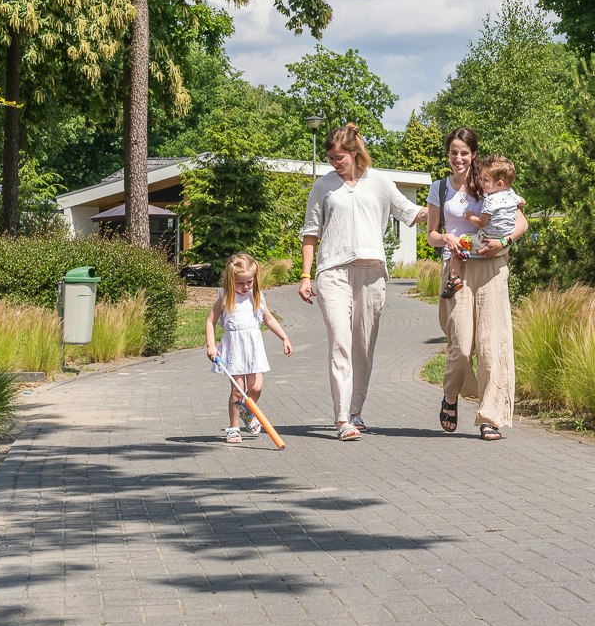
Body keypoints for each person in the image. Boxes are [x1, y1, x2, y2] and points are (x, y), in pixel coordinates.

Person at [299, 122, 423, 440]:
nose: (334, 162)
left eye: (339, 157)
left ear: (355, 153)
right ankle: (342, 420)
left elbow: (411, 212)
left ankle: (355, 411)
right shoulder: (323, 186)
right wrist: (304, 276)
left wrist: (448, 201)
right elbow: (310, 234)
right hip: (333, 272)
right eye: (330, 157)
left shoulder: (380, 182)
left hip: (371, 273)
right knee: (341, 341)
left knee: (363, 346)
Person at [426, 129, 526, 442]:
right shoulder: (439, 188)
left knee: (491, 344)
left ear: (473, 154)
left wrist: (504, 241)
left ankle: (489, 417)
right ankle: (451, 395)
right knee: (460, 344)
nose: (458, 158)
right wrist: (447, 238)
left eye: (464, 153)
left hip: (492, 268)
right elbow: (431, 235)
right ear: (448, 154)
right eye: (453, 152)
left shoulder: (490, 182)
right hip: (457, 268)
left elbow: (520, 222)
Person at [206, 252, 293, 443]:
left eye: (249, 282)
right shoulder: (225, 298)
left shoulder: (257, 297)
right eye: (240, 283)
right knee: (238, 390)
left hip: (253, 348)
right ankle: (234, 428)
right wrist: (211, 345)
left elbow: (268, 319)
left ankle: (246, 410)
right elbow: (210, 322)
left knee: (256, 387)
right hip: (234, 348)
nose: (245, 287)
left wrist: (284, 337)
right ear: (231, 280)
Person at [440, 154, 522, 297]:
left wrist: (470, 216)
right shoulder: (512, 194)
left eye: (486, 180)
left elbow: (482, 222)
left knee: (460, 243)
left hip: (486, 241)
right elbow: (523, 202)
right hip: (504, 246)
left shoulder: (490, 201)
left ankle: (454, 278)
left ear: (500, 184)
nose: (482, 183)